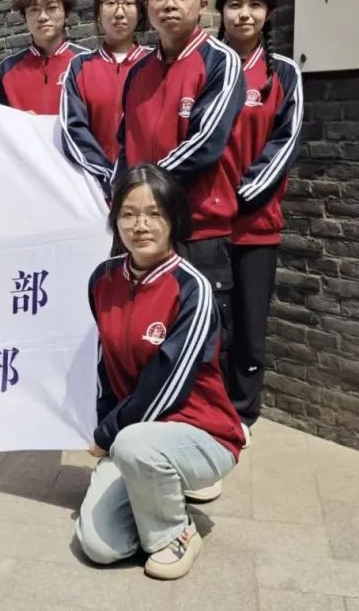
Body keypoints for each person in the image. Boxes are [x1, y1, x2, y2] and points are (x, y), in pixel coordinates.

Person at [74, 164, 244, 580]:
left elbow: (168, 384)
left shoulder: (192, 289)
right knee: (100, 547)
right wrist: (106, 425)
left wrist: (107, 435)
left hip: (200, 432)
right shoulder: (102, 280)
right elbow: (104, 362)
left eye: (154, 213)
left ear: (174, 219)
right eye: (129, 214)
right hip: (131, 436)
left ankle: (174, 533)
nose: (141, 225)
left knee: (135, 446)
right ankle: (151, 485)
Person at [115, 0, 244, 499]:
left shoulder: (220, 62)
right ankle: (152, 446)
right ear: (148, 4)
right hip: (143, 234)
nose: (170, 4)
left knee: (203, 347)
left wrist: (143, 191)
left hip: (197, 232)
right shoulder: (138, 70)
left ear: (202, 3)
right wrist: (123, 203)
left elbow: (207, 143)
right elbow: (124, 147)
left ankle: (199, 454)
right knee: (149, 342)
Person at [215, 0, 303, 440]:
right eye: (234, 4)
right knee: (210, 324)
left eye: (254, 4)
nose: (244, 14)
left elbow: (284, 143)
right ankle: (207, 407)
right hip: (204, 225)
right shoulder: (205, 65)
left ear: (268, 12)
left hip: (255, 225)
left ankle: (243, 413)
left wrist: (241, 196)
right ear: (220, 11)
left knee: (249, 326)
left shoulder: (282, 72)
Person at [60, 0, 152, 189]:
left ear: (140, 11)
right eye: (110, 3)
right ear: (98, 13)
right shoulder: (80, 66)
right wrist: (108, 177)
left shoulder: (155, 62)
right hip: (95, 188)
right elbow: (74, 130)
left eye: (128, 3)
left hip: (149, 189)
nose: (119, 12)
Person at [0, 0, 88, 114]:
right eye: (34, 10)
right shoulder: (7, 69)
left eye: (51, 8)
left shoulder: (86, 62)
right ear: (24, 17)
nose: (43, 17)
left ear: (66, 13)